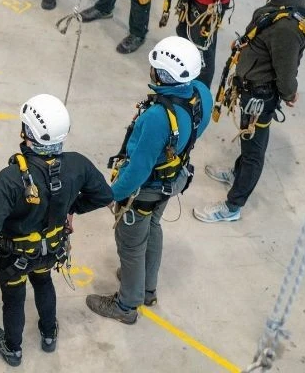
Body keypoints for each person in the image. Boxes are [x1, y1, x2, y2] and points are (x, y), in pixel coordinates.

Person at [0, 93, 112, 367]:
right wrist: (72, 208)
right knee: (43, 281)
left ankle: (13, 349)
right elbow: (103, 196)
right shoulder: (77, 165)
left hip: (14, 258)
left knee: (13, 299)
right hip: (51, 251)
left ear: (27, 132)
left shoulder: (11, 179)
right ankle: (49, 334)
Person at [85, 36, 212, 324]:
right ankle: (147, 288)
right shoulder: (202, 93)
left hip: (146, 189)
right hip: (173, 178)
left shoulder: (157, 117)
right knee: (152, 226)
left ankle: (127, 305)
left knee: (131, 246)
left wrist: (109, 194)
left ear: (163, 75)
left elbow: (137, 172)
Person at [195, 0, 305, 223]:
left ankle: (232, 206)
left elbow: (286, 67)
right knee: (249, 141)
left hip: (260, 94)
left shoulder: (287, 26)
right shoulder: (286, 3)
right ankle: (238, 173)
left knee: (253, 150)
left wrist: (289, 92)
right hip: (253, 86)